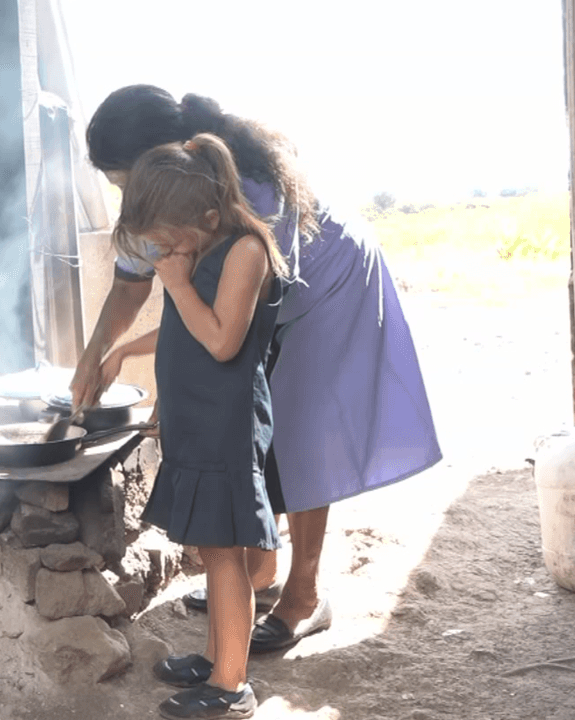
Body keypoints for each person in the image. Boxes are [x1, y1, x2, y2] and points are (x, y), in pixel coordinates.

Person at [74, 86, 441, 655]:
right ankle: (257, 575)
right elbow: (130, 281)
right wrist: (92, 357)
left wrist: (161, 369)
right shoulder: (164, 191)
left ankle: (304, 596)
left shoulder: (243, 198)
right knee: (254, 426)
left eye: (124, 180)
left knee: (300, 431)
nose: (125, 196)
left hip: (327, 276)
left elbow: (224, 330)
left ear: (162, 155)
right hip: (264, 290)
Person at [108, 132, 286, 718]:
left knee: (225, 552)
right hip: (196, 419)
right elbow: (187, 327)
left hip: (225, 425)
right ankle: (216, 660)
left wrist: (177, 284)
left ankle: (232, 687)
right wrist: (127, 349)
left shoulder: (245, 252)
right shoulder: (199, 250)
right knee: (211, 549)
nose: (160, 254)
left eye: (165, 242)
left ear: (208, 216)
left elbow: (219, 338)